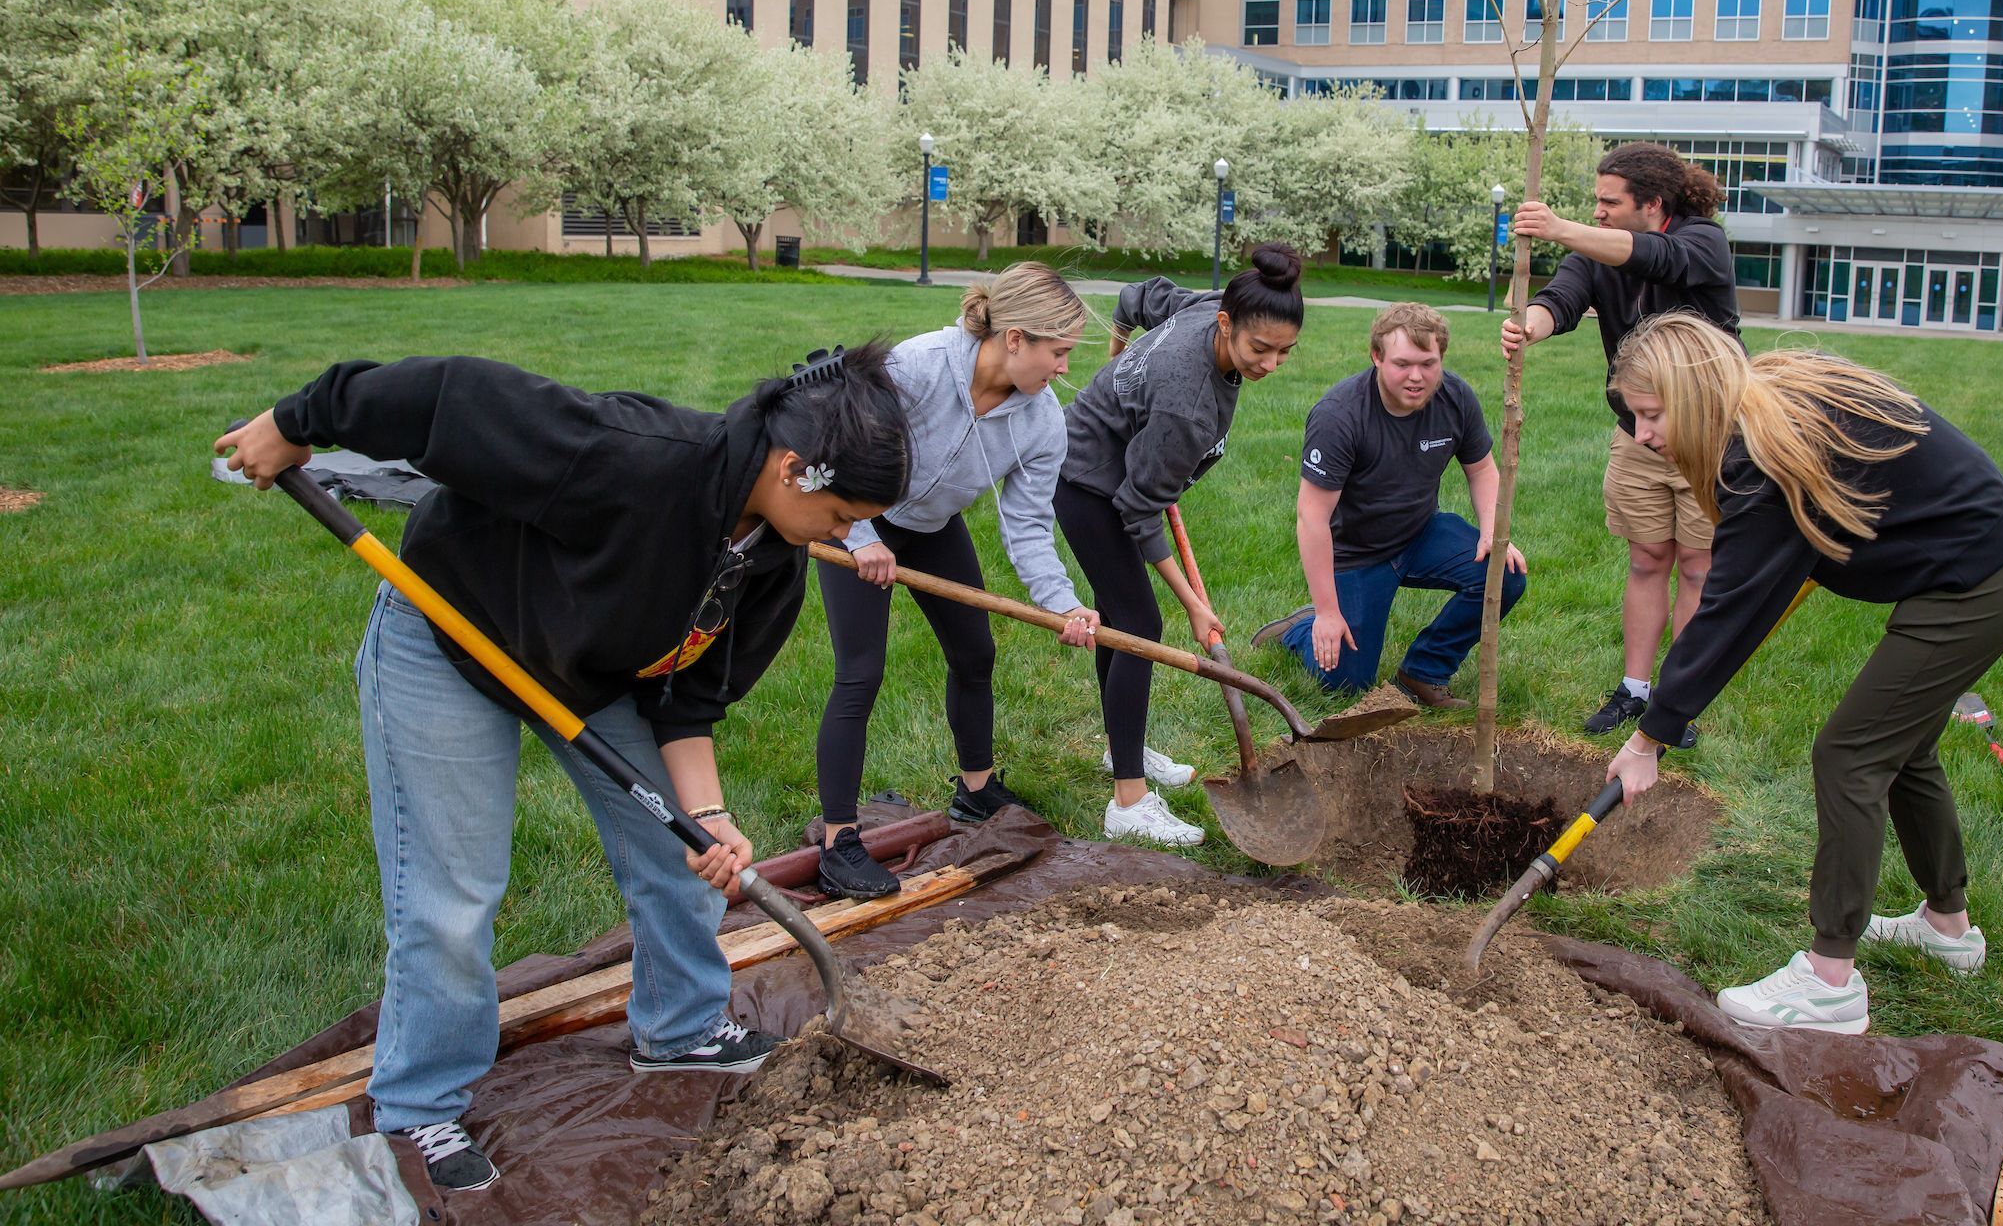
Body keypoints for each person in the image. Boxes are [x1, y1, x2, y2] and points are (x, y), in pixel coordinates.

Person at [212, 346, 910, 1191]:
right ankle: (420, 1106)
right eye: (841, 512)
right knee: (455, 896)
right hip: (454, 641)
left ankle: (681, 1026)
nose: (847, 535)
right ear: (793, 468)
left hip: (588, 674)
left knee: (676, 854)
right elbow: (448, 396)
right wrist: (292, 424)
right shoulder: (630, 455)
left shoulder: (770, 564)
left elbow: (686, 700)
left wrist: (711, 819)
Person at [1600, 312, 2003, 1034]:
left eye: (1652, 415)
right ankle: (1947, 926)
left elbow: (1727, 614)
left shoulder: (1762, 457)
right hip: (1985, 558)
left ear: (1693, 393)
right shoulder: (1767, 396)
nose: (1644, 434)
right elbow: (1751, 595)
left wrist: (1649, 736)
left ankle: (1829, 981)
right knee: (1904, 747)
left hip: (1979, 582)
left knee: (1850, 755)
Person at [813, 265, 1105, 900]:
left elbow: (1027, 524)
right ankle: (839, 842)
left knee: (975, 654)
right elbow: (832, 449)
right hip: (854, 515)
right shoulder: (917, 367)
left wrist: (1063, 602)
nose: (1063, 368)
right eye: (1058, 352)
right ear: (1016, 338)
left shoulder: (1042, 421)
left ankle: (976, 792)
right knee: (860, 672)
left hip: (933, 525)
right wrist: (861, 539)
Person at [1054, 243, 1306, 847]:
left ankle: (1124, 745)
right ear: (1227, 324)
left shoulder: (1211, 306)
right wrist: (1194, 603)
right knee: (1139, 623)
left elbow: (1137, 297)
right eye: (1259, 349)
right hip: (1087, 483)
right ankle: (1128, 800)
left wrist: (1118, 359)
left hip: (1116, 472)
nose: (1270, 363)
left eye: (1284, 352)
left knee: (1123, 615)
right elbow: (1138, 513)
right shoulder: (1187, 407)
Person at [1503, 140, 1741, 744]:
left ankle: (1677, 700)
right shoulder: (1594, 253)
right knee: (1646, 558)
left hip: (1709, 436)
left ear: (1652, 202)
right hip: (1637, 433)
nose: (1599, 211)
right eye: (1594, 202)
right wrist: (1528, 326)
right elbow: (1560, 299)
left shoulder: (1701, 240)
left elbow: (1656, 258)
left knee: (1697, 565)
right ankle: (1635, 690)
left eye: (1610, 202)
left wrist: (1562, 227)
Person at [1250, 302, 1526, 705]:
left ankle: (1424, 671)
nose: (1417, 377)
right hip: (1357, 554)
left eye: (1428, 364)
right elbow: (1312, 519)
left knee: (1506, 573)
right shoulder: (1339, 416)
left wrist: (1491, 532)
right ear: (1377, 357)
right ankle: (1300, 628)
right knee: (1346, 683)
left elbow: (1482, 471)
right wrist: (1328, 613)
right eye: (1402, 364)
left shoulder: (1455, 397)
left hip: (1420, 532)